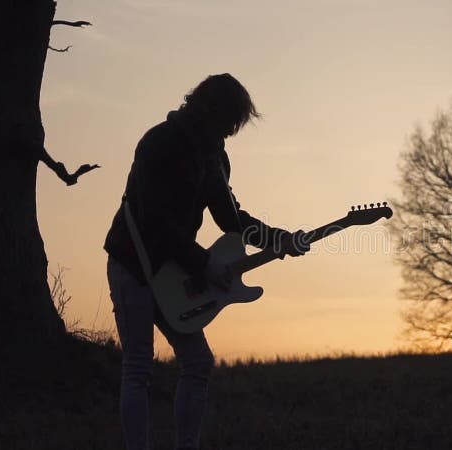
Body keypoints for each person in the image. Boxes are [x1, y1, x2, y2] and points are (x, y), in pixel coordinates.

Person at [103, 73, 309, 450]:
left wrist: (279, 239)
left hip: (175, 270)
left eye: (235, 126)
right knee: (138, 366)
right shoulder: (158, 143)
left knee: (197, 362)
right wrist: (203, 265)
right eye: (229, 122)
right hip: (131, 264)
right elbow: (153, 220)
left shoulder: (215, 158)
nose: (230, 133)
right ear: (209, 110)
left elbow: (231, 219)